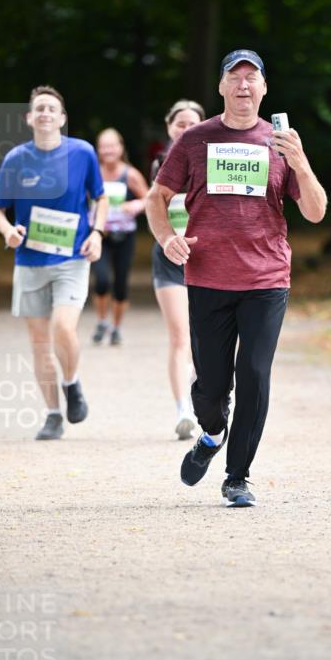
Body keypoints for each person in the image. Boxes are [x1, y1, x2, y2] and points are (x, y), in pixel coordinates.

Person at [146, 49, 327, 506]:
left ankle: (237, 476)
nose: (244, 85)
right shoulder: (195, 139)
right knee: (210, 386)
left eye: (253, 78)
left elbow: (316, 211)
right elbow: (157, 197)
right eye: (235, 77)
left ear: (264, 88)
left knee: (254, 373)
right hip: (207, 277)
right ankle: (211, 433)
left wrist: (301, 161)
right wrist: (168, 237)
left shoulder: (281, 142)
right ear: (221, 87)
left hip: (266, 279)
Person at [0, 85, 108, 440]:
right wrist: (8, 231)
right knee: (39, 341)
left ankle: (71, 384)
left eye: (51, 108)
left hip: (72, 257)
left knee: (63, 327)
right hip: (29, 260)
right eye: (38, 108)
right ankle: (53, 414)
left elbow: (99, 198)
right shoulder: (15, 159)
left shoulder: (82, 153)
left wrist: (97, 233)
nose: (44, 113)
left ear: (62, 118)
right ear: (29, 118)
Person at [150, 100, 206, 440]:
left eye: (193, 124)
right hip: (170, 258)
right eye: (180, 124)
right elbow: (154, 205)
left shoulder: (214, 161)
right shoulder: (161, 164)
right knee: (178, 336)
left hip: (206, 259)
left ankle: (206, 399)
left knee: (204, 339)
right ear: (169, 127)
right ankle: (183, 409)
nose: (186, 129)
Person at [91, 128, 149, 346]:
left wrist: (136, 204)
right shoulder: (93, 173)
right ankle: (101, 321)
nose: (108, 150)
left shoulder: (130, 174)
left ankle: (116, 327)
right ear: (98, 150)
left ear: (121, 148)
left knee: (121, 285)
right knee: (102, 280)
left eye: (112, 145)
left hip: (125, 236)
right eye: (104, 146)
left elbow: (149, 199)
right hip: (100, 235)